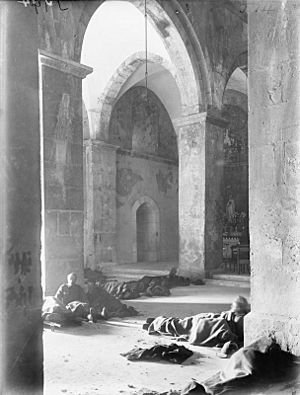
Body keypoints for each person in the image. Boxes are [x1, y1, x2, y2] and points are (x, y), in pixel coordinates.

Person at [143, 296, 250, 350]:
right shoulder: (235, 315)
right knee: (189, 322)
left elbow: (229, 336)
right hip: (213, 319)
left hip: (213, 326)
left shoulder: (244, 320)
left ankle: (160, 323)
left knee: (183, 327)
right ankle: (161, 322)